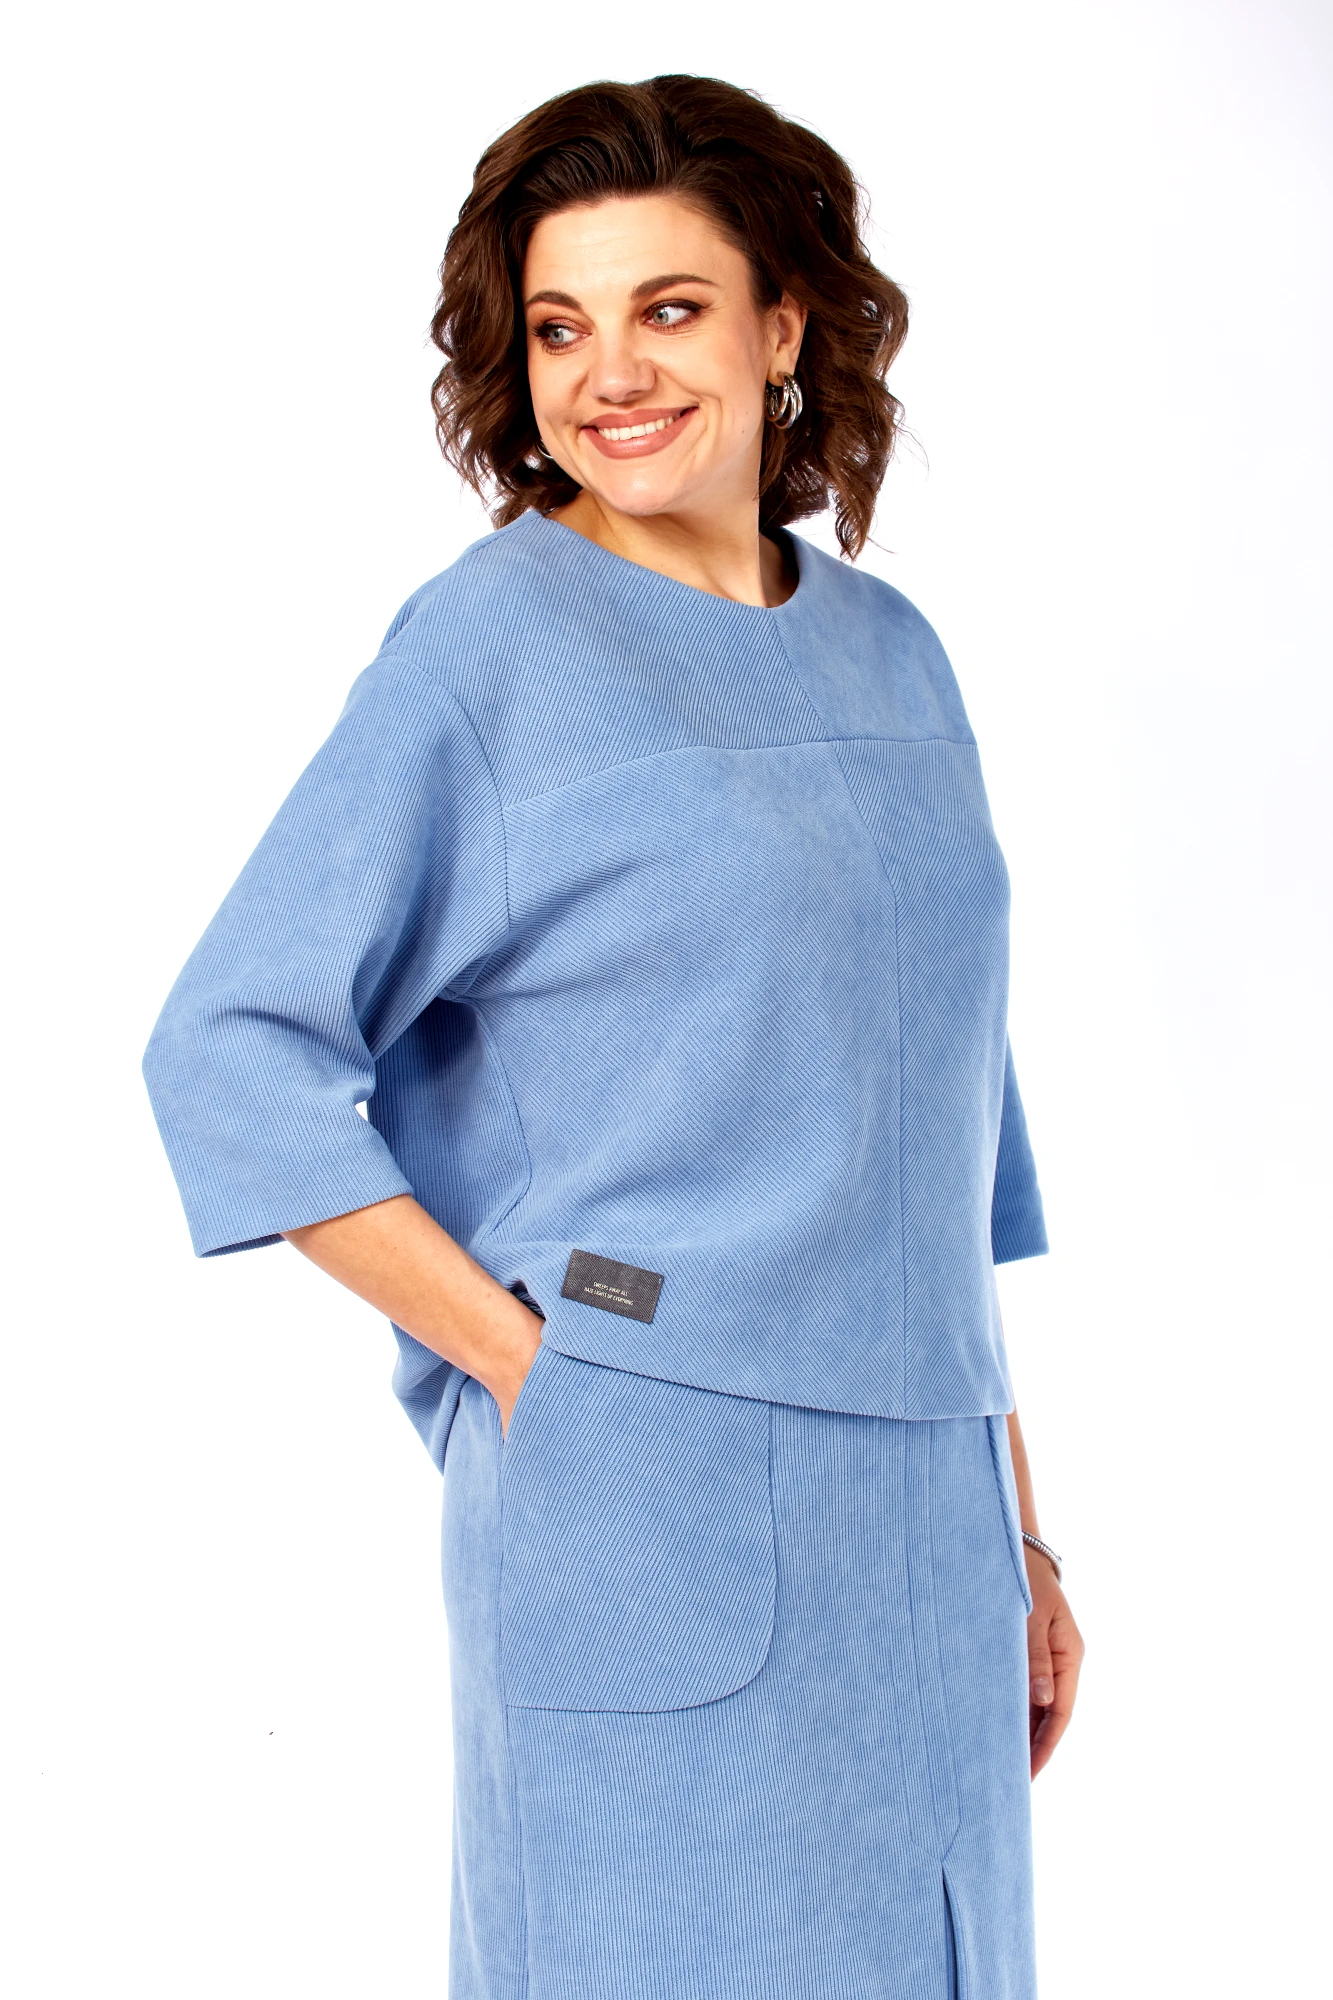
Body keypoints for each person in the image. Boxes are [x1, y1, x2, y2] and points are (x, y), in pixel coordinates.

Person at [144, 73, 1083, 2000]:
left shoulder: (893, 650)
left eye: (669, 307)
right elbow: (232, 1043)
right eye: (560, 327)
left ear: (783, 326)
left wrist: (1021, 1527)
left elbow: (936, 1127)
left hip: (927, 1514)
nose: (611, 376)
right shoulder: (491, 651)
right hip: (647, 1451)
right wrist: (530, 1365)